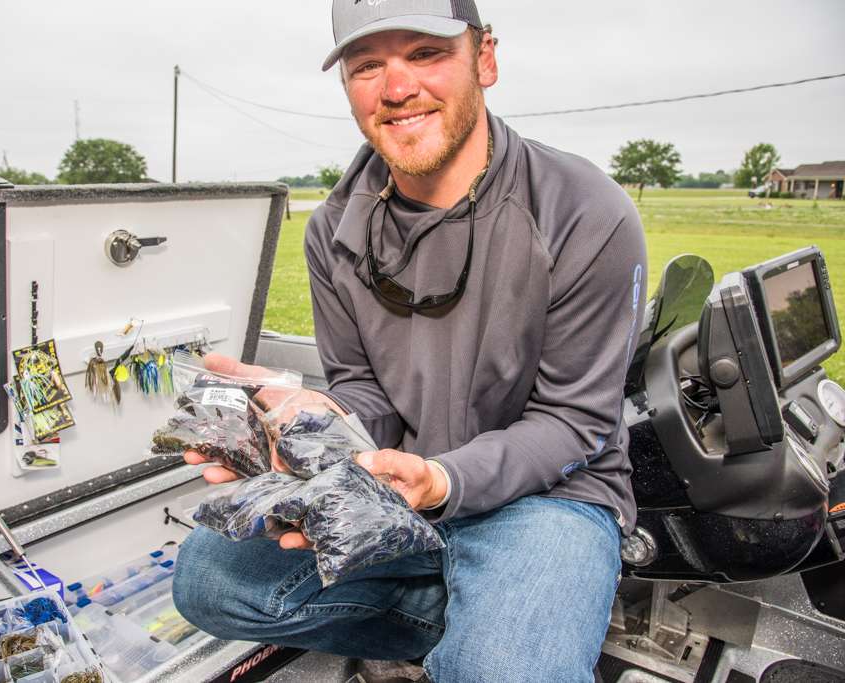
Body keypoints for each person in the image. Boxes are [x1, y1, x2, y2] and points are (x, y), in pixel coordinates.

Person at [173, 1, 647, 680]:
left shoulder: (584, 210)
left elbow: (574, 424)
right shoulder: (333, 229)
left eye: (426, 53)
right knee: (209, 576)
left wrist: (442, 480)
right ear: (347, 86)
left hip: (549, 498)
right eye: (368, 65)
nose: (396, 89)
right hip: (398, 479)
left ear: (484, 58)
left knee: (503, 669)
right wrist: (321, 422)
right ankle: (462, 614)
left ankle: (496, 628)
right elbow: (365, 392)